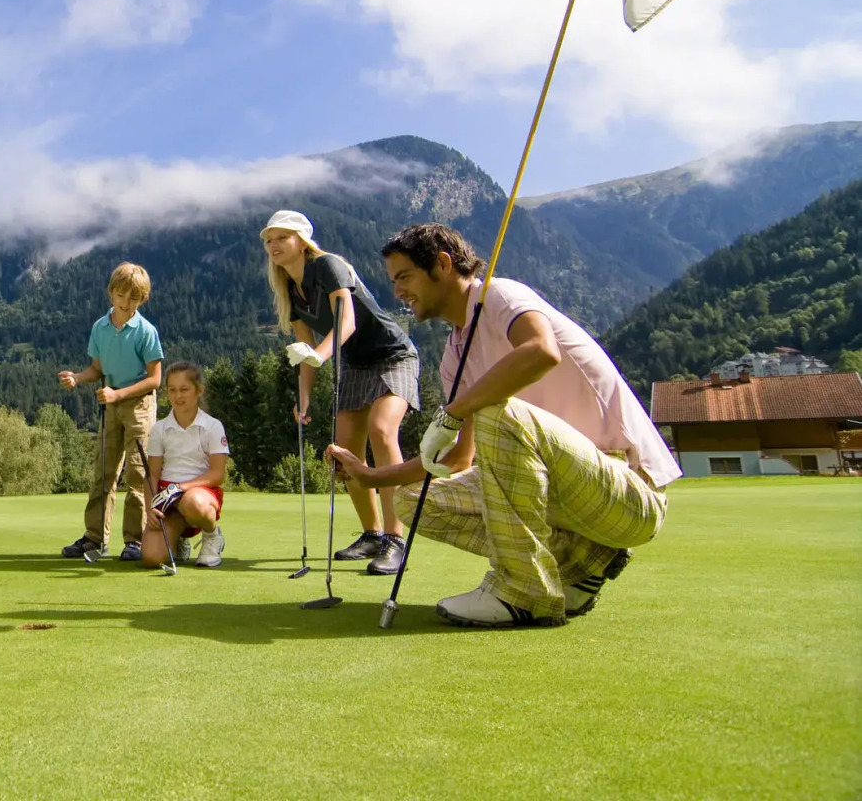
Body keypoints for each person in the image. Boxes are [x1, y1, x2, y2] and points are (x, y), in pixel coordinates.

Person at [328, 223, 681, 627]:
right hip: (570, 496)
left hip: (629, 492)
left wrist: (458, 409)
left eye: (405, 277)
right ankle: (580, 564)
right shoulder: (454, 355)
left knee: (498, 410)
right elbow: (458, 459)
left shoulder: (500, 295)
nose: (398, 292)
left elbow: (541, 352)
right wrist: (373, 476)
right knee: (413, 498)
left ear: (442, 264)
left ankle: (522, 591)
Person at [261, 210, 421, 575]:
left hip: (393, 355)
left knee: (382, 431)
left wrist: (320, 355)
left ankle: (396, 540)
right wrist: (303, 399)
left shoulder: (328, 266)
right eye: (269, 239)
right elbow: (304, 350)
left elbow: (345, 321)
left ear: (301, 241)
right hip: (354, 363)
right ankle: (372, 534)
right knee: (344, 450)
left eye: (281, 237)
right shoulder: (289, 287)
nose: (273, 245)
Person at [57, 262, 164, 561]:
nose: (125, 302)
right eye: (120, 295)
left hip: (140, 407)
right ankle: (95, 539)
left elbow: (155, 379)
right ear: (111, 293)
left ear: (142, 299)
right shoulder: (100, 328)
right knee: (103, 473)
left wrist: (119, 393)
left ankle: (135, 541)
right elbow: (97, 369)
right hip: (111, 406)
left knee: (137, 474)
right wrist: (78, 378)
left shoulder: (146, 331)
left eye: (133, 298)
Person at [142, 361, 229, 569]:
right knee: (151, 558)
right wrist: (150, 508)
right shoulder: (159, 429)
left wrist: (181, 488)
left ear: (199, 391)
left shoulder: (213, 426)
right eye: (172, 390)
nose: (177, 396)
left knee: (193, 502)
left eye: (184, 389)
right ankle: (178, 538)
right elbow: (152, 474)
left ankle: (212, 535)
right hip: (167, 500)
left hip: (200, 494)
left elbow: (218, 474)